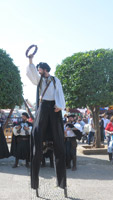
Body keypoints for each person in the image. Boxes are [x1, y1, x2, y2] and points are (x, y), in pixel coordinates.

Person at [26, 54, 66, 191]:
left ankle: (61, 182)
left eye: (39, 69)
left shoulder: (55, 80)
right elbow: (31, 74)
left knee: (59, 140)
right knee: (37, 134)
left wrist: (60, 105)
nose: (38, 71)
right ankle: (35, 182)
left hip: (54, 108)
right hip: (43, 107)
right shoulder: (39, 80)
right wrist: (30, 60)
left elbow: (60, 93)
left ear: (44, 69)